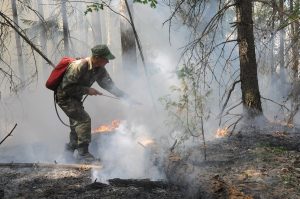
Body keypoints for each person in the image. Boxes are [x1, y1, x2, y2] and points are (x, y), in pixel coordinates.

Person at [56, 44, 129, 162]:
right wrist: (87, 90)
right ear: (97, 57)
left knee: (76, 125)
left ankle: (68, 154)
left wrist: (125, 97)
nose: (108, 62)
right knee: (84, 120)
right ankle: (83, 154)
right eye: (106, 59)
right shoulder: (79, 66)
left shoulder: (99, 69)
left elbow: (109, 86)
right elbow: (66, 88)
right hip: (65, 97)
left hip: (75, 98)